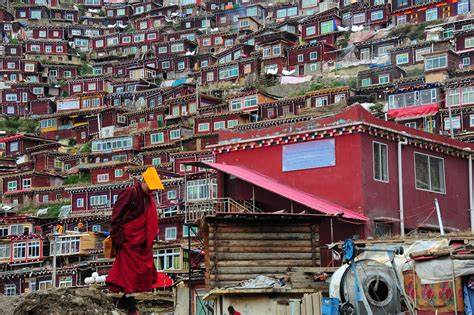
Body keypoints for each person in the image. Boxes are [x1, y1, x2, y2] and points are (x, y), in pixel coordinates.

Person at [106, 167, 163, 315]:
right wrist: (117, 237)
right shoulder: (130, 192)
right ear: (144, 181)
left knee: (143, 270)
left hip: (140, 241)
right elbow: (116, 216)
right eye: (150, 186)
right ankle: (130, 306)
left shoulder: (147, 197)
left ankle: (125, 301)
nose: (151, 190)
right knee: (127, 273)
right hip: (127, 239)